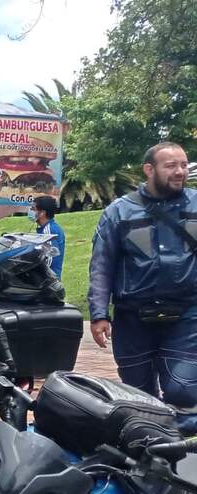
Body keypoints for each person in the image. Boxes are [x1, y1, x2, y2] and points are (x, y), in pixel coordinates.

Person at [88, 141, 197, 409]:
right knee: (138, 395)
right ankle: (150, 445)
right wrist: (99, 314)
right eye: (171, 165)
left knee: (183, 389)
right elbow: (102, 263)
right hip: (132, 319)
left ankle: (183, 446)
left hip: (186, 316)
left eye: (184, 165)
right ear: (149, 169)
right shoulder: (118, 212)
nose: (180, 171)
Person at [30, 196, 65, 278]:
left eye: (33, 209)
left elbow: (50, 258)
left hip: (47, 280)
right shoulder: (46, 228)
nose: (30, 211)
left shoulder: (49, 230)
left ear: (42, 213)